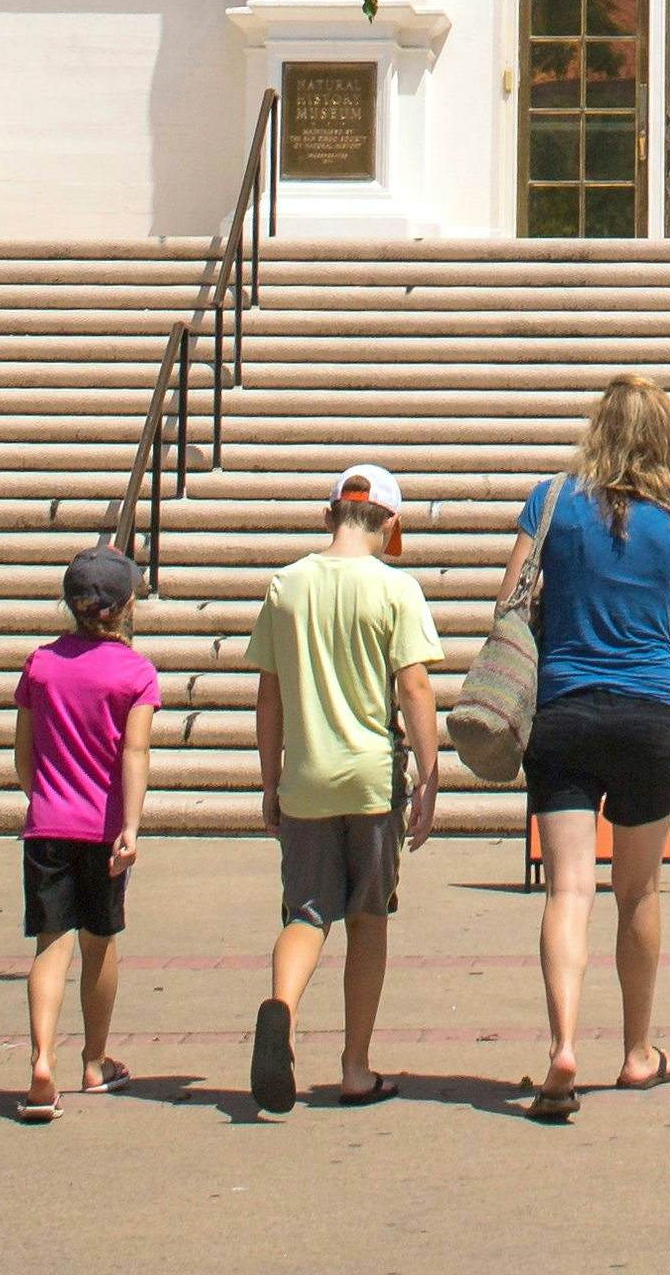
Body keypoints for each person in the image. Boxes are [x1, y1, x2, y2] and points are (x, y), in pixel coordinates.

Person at [509, 374, 670, 1120]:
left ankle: (563, 1045)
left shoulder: (551, 503)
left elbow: (508, 602)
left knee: (569, 889)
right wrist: (648, 634)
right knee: (637, 891)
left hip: (562, 712)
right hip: (645, 716)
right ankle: (637, 1053)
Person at [243, 461, 441, 1114]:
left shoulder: (287, 586)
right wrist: (430, 776)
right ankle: (355, 1067)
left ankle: (282, 1008)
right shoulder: (395, 589)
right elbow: (413, 686)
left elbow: (268, 695)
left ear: (330, 515)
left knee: (304, 913)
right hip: (371, 778)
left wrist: (269, 778)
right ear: (390, 524)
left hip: (306, 775)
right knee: (368, 916)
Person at [8, 544, 159, 1119]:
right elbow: (135, 751)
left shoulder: (41, 664)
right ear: (126, 606)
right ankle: (95, 1061)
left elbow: (23, 754)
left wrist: (42, 796)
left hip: (47, 823)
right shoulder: (135, 673)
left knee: (51, 944)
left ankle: (42, 1058)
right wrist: (130, 824)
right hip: (102, 831)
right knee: (100, 942)